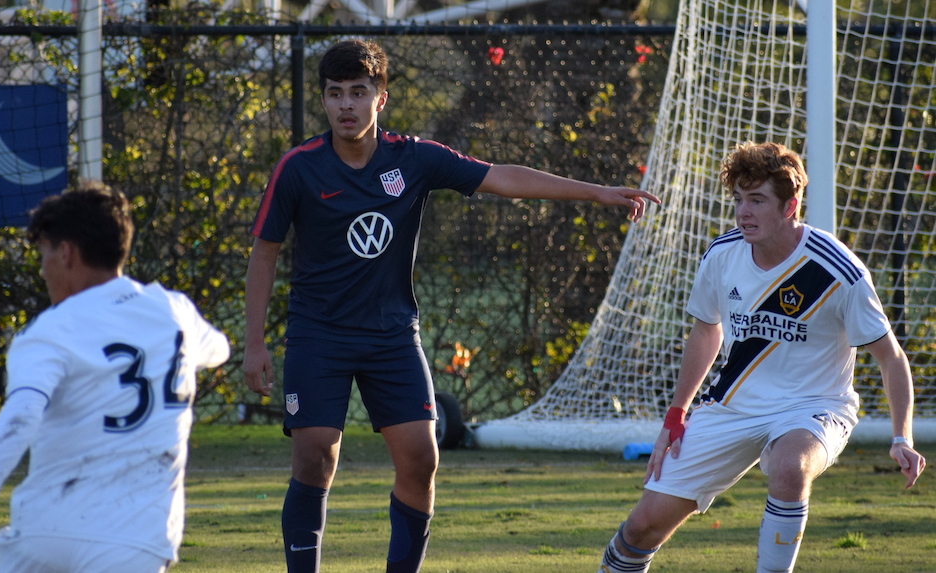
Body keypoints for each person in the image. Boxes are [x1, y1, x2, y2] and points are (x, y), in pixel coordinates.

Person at [243, 39, 660, 573]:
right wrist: (255, 343)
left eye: (358, 92)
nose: (346, 105)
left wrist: (597, 192)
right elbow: (264, 253)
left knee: (422, 459)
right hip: (318, 334)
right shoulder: (298, 168)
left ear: (381, 98)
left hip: (392, 334)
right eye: (334, 94)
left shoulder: (414, 158)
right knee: (316, 453)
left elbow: (503, 177)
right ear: (324, 102)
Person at [597, 142, 927, 573]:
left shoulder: (838, 270)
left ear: (790, 206)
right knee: (641, 528)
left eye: (756, 200)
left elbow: (891, 358)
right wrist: (676, 415)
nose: (742, 212)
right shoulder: (722, 254)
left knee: (790, 467)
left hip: (814, 407)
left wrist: (902, 437)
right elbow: (706, 330)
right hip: (732, 405)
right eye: (738, 199)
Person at [0, 182, 230, 573]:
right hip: (139, 542)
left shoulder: (48, 332)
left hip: (49, 533)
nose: (42, 267)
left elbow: (21, 415)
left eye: (43, 253)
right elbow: (219, 348)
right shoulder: (175, 312)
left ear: (65, 253)